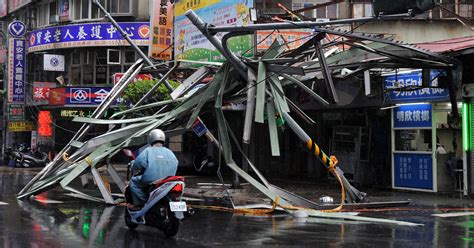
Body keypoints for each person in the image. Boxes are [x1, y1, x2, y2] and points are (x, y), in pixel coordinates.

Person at [129, 129, 178, 208]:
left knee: (133, 183)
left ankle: (142, 203)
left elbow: (138, 164)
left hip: (151, 180)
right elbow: (176, 163)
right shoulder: (170, 152)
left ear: (151, 139)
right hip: (168, 181)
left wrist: (132, 164)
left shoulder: (148, 151)